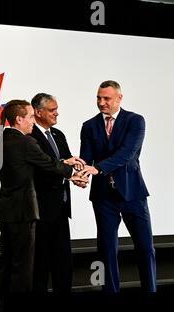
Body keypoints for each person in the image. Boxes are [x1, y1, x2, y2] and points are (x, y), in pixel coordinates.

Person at [0, 99, 86, 292]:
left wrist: (63, 166)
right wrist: (72, 173)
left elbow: (30, 167)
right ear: (19, 119)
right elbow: (49, 164)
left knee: (9, 264)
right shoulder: (25, 142)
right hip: (23, 212)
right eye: (30, 117)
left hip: (6, 211)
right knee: (23, 268)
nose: (32, 122)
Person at [79, 80, 156, 292]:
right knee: (105, 250)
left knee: (145, 248)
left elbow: (127, 153)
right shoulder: (89, 126)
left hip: (133, 193)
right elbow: (86, 159)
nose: (101, 102)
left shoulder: (135, 121)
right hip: (103, 197)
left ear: (119, 98)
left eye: (106, 98)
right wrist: (81, 173)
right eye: (98, 98)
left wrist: (98, 168)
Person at [30, 93, 78, 292]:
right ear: (38, 112)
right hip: (41, 210)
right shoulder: (30, 136)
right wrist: (66, 171)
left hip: (61, 208)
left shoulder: (58, 134)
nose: (56, 113)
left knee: (63, 261)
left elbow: (67, 163)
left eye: (56, 109)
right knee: (40, 263)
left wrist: (77, 176)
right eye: (52, 110)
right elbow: (39, 170)